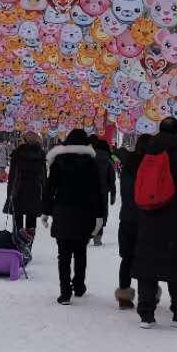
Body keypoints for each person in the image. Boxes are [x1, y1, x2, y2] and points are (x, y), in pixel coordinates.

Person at [133, 117, 177, 327]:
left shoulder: (148, 151)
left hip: (148, 215)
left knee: (148, 264)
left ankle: (146, 314)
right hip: (175, 215)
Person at [42, 128, 104, 305]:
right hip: (85, 212)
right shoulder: (91, 163)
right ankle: (78, 285)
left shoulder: (57, 161)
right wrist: (100, 216)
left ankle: (65, 292)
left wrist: (46, 211)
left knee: (64, 254)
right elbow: (97, 191)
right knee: (80, 251)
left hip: (62, 211)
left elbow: (49, 188)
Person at [114, 132, 152, 310]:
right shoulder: (152, 167)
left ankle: (124, 296)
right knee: (148, 259)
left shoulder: (127, 166)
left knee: (127, 259)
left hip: (128, 217)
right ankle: (148, 296)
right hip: (148, 218)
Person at [7, 131, 46, 236]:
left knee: (17, 220)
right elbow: (43, 176)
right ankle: (28, 246)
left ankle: (17, 243)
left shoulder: (17, 154)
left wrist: (9, 192)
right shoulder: (40, 154)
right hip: (35, 190)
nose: (20, 141)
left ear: (26, 141)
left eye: (22, 140)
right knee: (31, 221)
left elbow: (13, 176)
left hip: (19, 190)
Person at [90, 136, 116, 245]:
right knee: (101, 213)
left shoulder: (88, 156)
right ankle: (98, 237)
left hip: (88, 190)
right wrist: (113, 194)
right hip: (103, 191)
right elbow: (112, 178)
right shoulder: (108, 159)